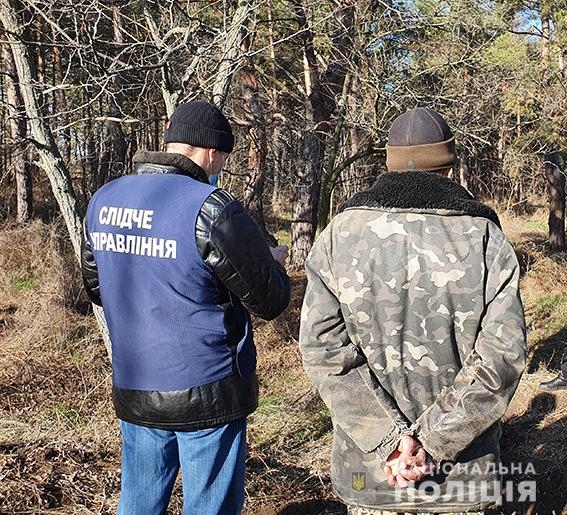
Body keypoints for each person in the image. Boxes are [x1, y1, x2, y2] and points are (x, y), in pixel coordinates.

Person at [298, 107, 527, 514]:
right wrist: (432, 444)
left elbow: (323, 351)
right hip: (459, 478)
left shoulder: (339, 235)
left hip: (372, 473)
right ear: (448, 166)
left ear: (389, 163)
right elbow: (502, 357)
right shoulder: (483, 237)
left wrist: (390, 443)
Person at [81, 99, 291, 514]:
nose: (221, 167)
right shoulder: (211, 207)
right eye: (224, 157)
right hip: (209, 389)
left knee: (139, 503)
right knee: (209, 506)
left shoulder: (103, 201)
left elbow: (97, 287)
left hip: (136, 383)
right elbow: (270, 299)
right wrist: (271, 263)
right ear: (211, 150)